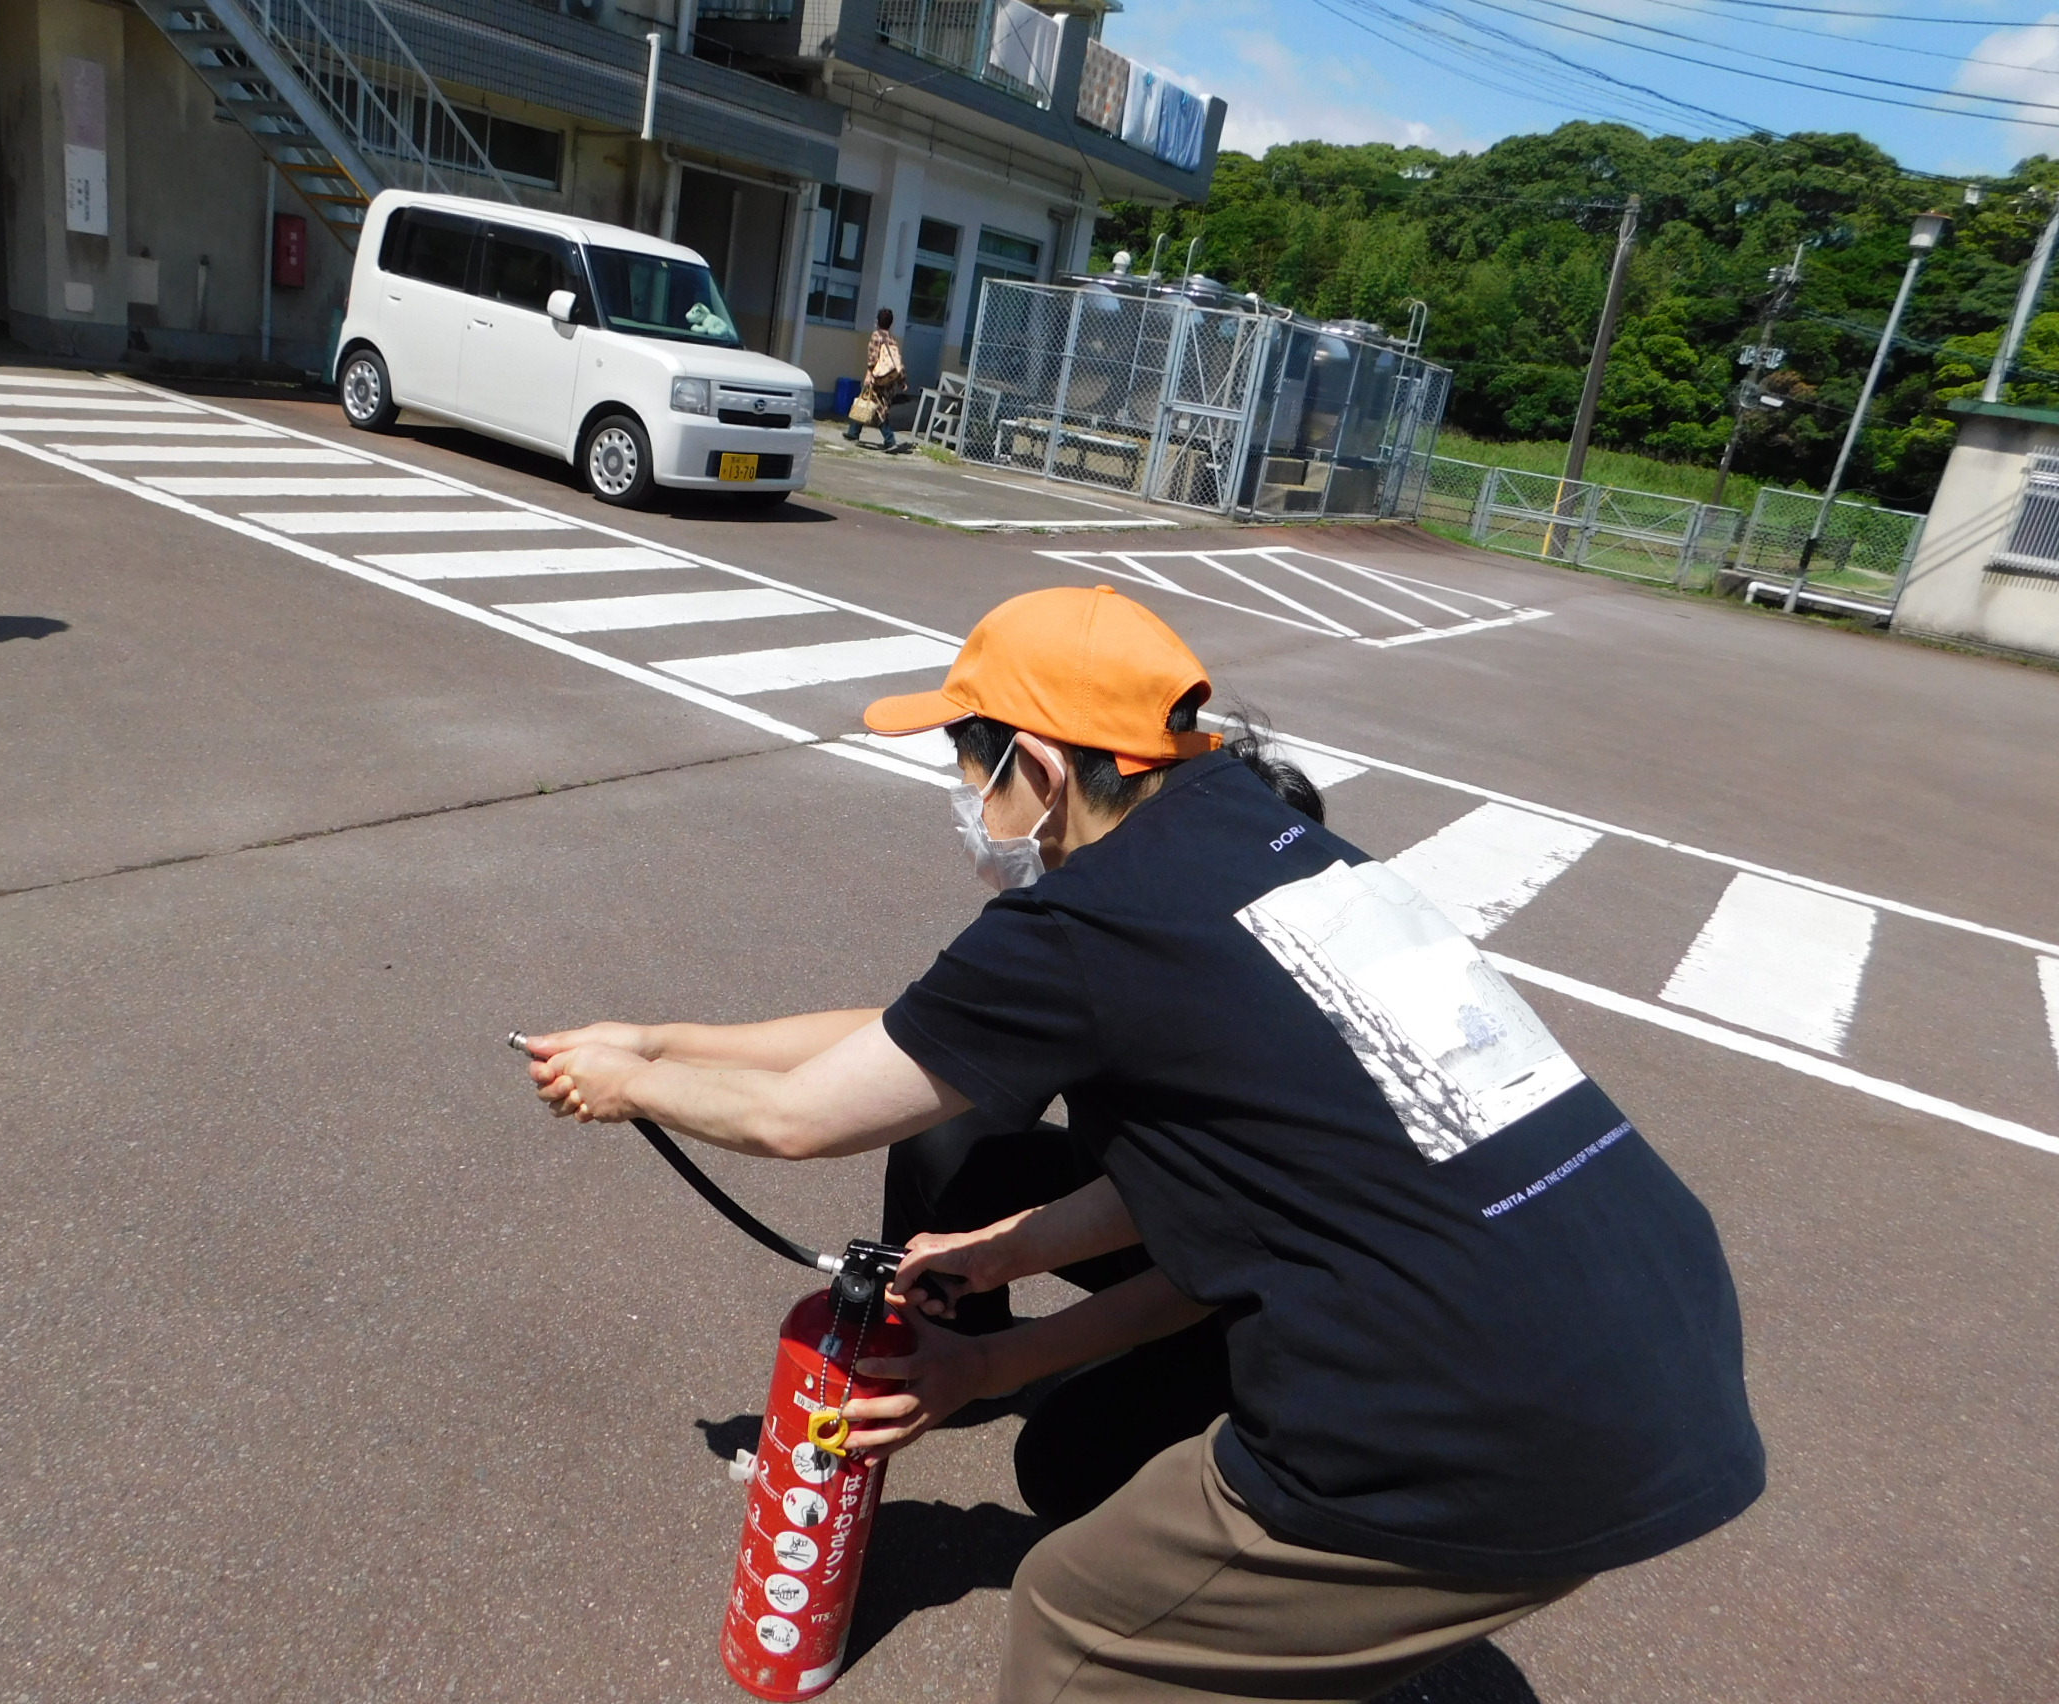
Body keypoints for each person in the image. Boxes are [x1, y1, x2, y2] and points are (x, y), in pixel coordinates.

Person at [519, 585, 1764, 1703]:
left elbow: (799, 1119)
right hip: (1651, 1350)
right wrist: (997, 1295)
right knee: (1079, 1464)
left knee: (1082, 1620)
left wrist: (631, 1085)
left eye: (967, 762)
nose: (964, 797)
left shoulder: (1089, 921)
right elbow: (1233, 1188)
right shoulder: (1264, 843)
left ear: (1039, 769)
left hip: (1477, 1413)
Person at [844, 306, 905, 451]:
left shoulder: (876, 336)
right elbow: (897, 361)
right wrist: (902, 380)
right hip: (889, 381)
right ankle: (853, 432)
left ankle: (890, 440)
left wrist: (869, 374)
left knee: (877, 408)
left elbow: (873, 358)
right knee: (866, 401)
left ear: (878, 321)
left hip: (877, 379)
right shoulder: (892, 339)